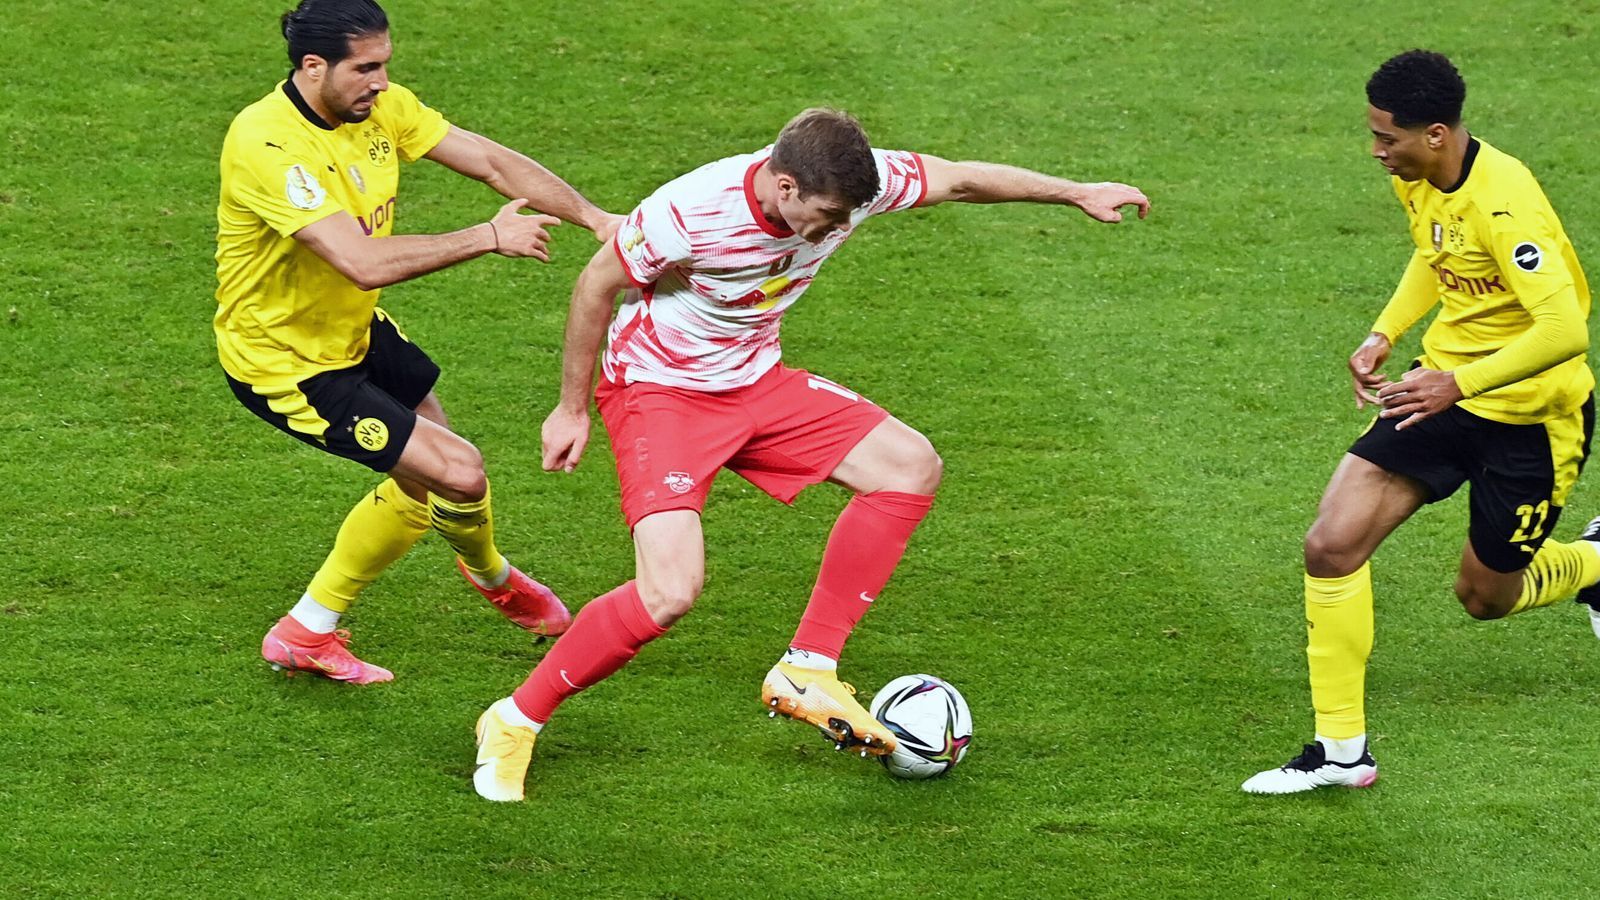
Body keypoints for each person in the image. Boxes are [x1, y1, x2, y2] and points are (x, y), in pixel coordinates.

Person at [468, 107, 1150, 801]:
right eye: (826, 216)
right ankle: (514, 719)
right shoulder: (688, 211)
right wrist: (572, 407)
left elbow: (961, 181)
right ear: (784, 186)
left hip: (756, 381)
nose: (835, 229)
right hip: (660, 393)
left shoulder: (853, 183)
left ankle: (807, 667)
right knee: (670, 591)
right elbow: (595, 286)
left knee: (909, 465)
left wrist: (1076, 191)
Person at [215, 0, 620, 684]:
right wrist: (487, 236)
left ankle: (477, 575)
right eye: (365, 68)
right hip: (286, 361)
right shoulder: (267, 144)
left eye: (385, 65)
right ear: (314, 67)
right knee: (457, 471)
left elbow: (491, 161)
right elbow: (363, 261)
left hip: (353, 328)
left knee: (438, 476)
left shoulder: (378, 108)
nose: (380, 82)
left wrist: (595, 219)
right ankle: (325, 626)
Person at [1243, 50, 1600, 794]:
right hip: (1438, 393)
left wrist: (1457, 383)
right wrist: (1385, 333)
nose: (1376, 151)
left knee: (1485, 599)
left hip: (1532, 418)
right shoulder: (1425, 178)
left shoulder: (1508, 204)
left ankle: (1597, 567)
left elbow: (1564, 326)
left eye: (1387, 138)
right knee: (1331, 544)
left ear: (1436, 133)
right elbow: (1432, 256)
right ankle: (1340, 752)